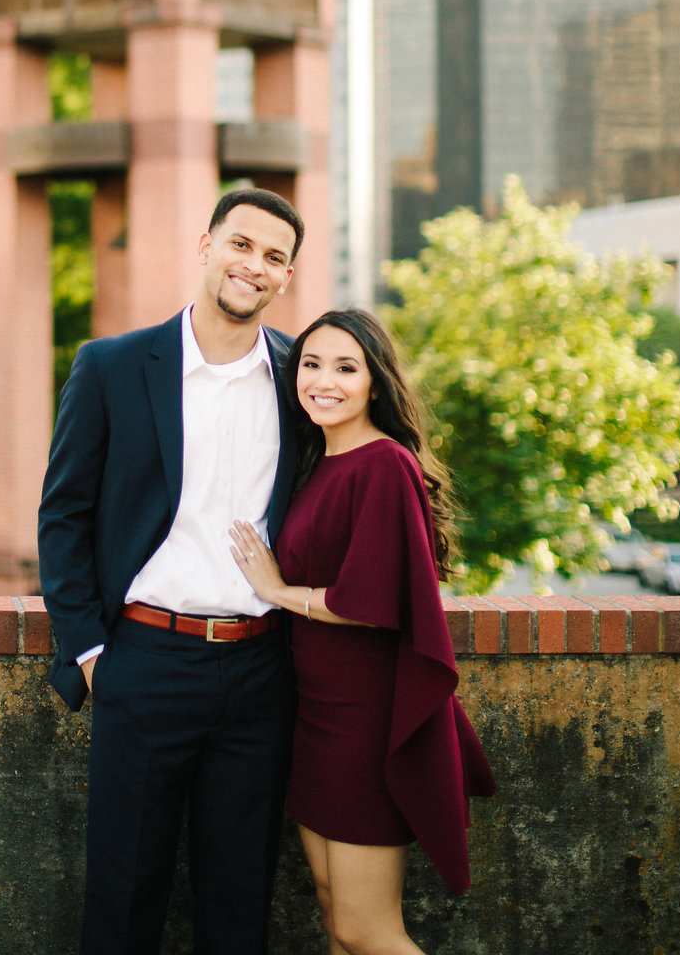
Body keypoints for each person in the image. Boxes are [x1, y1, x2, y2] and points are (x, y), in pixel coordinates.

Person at [37, 186, 305, 955]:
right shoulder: (112, 367)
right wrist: (90, 655)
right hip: (144, 663)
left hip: (261, 673)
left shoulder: (301, 378)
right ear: (206, 245)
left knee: (240, 900)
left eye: (274, 257)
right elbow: (63, 517)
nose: (254, 266)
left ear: (286, 277)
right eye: (241, 245)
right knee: (123, 900)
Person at [230, 308, 496, 955]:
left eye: (346, 368)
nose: (324, 381)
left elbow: (373, 600)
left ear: (375, 382)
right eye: (311, 365)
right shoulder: (320, 463)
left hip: (364, 723)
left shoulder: (383, 464)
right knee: (331, 911)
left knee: (366, 928)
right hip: (315, 716)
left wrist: (275, 592)